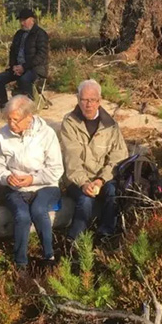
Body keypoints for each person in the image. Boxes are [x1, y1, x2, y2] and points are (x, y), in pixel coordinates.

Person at [0, 95, 63, 269]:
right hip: (15, 188)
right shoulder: (2, 135)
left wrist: (32, 179)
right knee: (22, 216)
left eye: (15, 120)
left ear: (29, 118)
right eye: (8, 119)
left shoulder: (47, 134)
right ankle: (21, 262)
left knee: (39, 210)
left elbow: (56, 169)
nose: (11, 124)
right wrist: (7, 177)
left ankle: (49, 256)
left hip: (45, 185)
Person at [60, 79, 128, 242]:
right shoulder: (69, 123)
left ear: (99, 101)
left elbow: (119, 156)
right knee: (85, 199)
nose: (88, 104)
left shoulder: (110, 125)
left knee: (112, 192)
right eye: (84, 99)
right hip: (76, 179)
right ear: (78, 99)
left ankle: (106, 234)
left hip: (103, 178)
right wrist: (84, 183)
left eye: (92, 100)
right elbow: (72, 159)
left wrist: (100, 180)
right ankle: (74, 241)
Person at [0, 8, 49, 108]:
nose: (22, 23)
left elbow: (41, 55)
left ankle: (29, 109)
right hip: (18, 68)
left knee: (24, 79)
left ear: (32, 20)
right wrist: (14, 66)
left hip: (35, 69)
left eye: (24, 20)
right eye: (20, 20)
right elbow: (12, 52)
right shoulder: (18, 34)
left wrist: (24, 67)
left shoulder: (40, 34)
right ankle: (4, 108)